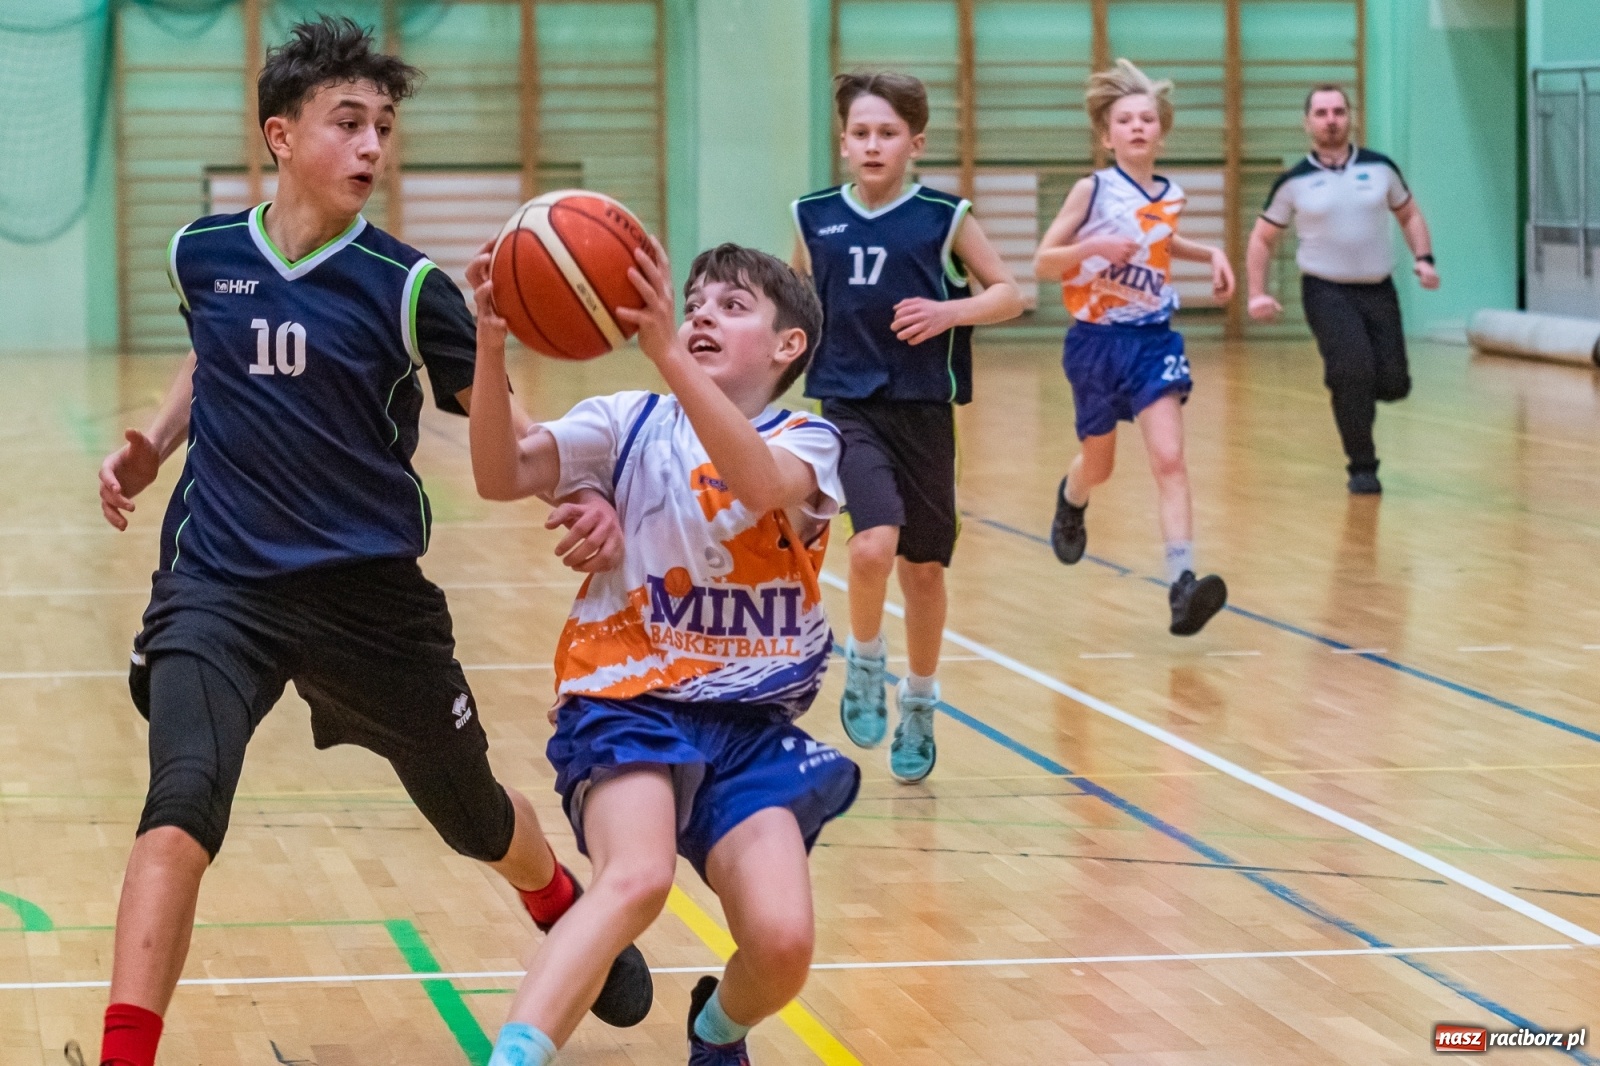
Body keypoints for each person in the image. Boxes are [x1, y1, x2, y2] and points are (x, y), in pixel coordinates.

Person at [91, 19, 651, 1066]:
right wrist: (153, 446)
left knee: (470, 811)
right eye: (347, 122)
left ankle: (552, 889)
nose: (371, 147)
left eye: (383, 127)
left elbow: (516, 443)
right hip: (221, 584)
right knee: (180, 800)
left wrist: (582, 495)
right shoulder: (201, 255)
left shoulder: (411, 288)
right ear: (280, 135)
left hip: (368, 601)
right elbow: (215, 356)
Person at [466, 238, 860, 1066]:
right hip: (626, 699)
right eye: (698, 301)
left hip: (746, 720)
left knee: (783, 943)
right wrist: (492, 344)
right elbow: (501, 475)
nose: (705, 314)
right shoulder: (626, 421)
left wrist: (665, 351)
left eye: (733, 304)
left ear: (790, 345)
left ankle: (716, 1028)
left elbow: (755, 483)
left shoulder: (810, 441)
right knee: (637, 878)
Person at [792, 71, 1024, 784]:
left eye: (887, 133)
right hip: (850, 408)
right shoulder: (814, 217)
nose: (872, 144)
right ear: (843, 141)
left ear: (914, 143)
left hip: (924, 411)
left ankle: (920, 701)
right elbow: (795, 313)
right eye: (860, 132)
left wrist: (948, 311)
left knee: (923, 570)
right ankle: (864, 662)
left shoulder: (943, 217)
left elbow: (1010, 294)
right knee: (871, 547)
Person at [1035, 59, 1236, 636]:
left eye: (1148, 119)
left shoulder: (1170, 194)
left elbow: (1161, 240)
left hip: (1153, 340)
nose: (1138, 127)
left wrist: (1211, 255)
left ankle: (1182, 583)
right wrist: (1093, 245)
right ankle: (1072, 499)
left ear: (1161, 132)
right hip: (1096, 344)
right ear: (1107, 135)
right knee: (1100, 464)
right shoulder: (1091, 189)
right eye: (1126, 120)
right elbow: (1044, 262)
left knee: (1170, 460)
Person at [1246, 84, 1439, 495]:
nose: (1331, 119)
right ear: (1307, 123)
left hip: (1378, 289)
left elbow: (1409, 215)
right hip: (1326, 291)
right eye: (1321, 113)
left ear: (1350, 117)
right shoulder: (1294, 181)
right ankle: (1362, 466)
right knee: (1351, 371)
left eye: (1338, 111)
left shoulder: (1381, 169)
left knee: (1391, 382)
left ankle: (1357, 393)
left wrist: (1424, 259)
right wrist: (1256, 292)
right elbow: (1262, 238)